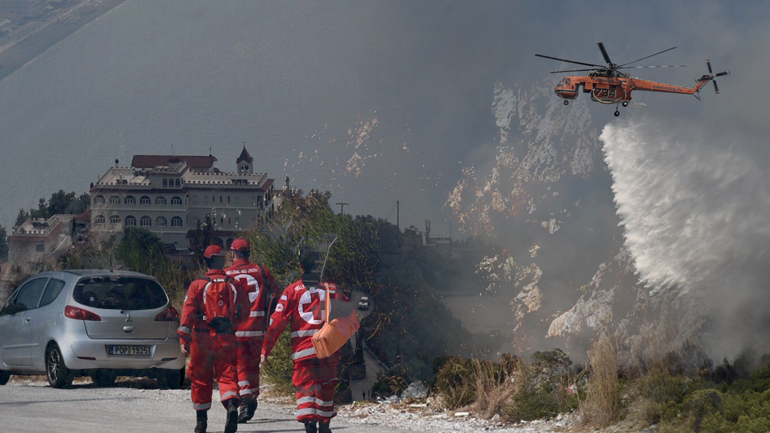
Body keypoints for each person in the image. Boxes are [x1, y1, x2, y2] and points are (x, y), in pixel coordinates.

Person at [261, 251, 340, 433]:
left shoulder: (291, 291)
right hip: (327, 351)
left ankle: (310, 425)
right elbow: (346, 318)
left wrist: (266, 349)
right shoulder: (332, 289)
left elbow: (277, 322)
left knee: (305, 391)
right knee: (325, 388)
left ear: (300, 266)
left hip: (303, 352)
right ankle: (325, 425)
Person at [178, 245, 250, 433]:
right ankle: (232, 405)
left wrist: (183, 338)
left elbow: (187, 314)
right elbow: (245, 310)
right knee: (228, 375)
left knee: (200, 379)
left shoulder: (197, 285)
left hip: (202, 339)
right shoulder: (234, 284)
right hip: (226, 338)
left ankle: (201, 423)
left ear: (206, 261)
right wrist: (232, 325)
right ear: (223, 261)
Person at [224, 238, 283, 423]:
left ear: (233, 253)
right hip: (258, 330)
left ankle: (246, 397)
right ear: (249, 253)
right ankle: (253, 398)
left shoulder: (226, 274)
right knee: (253, 367)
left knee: (240, 367)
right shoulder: (261, 270)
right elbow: (277, 292)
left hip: (237, 331)